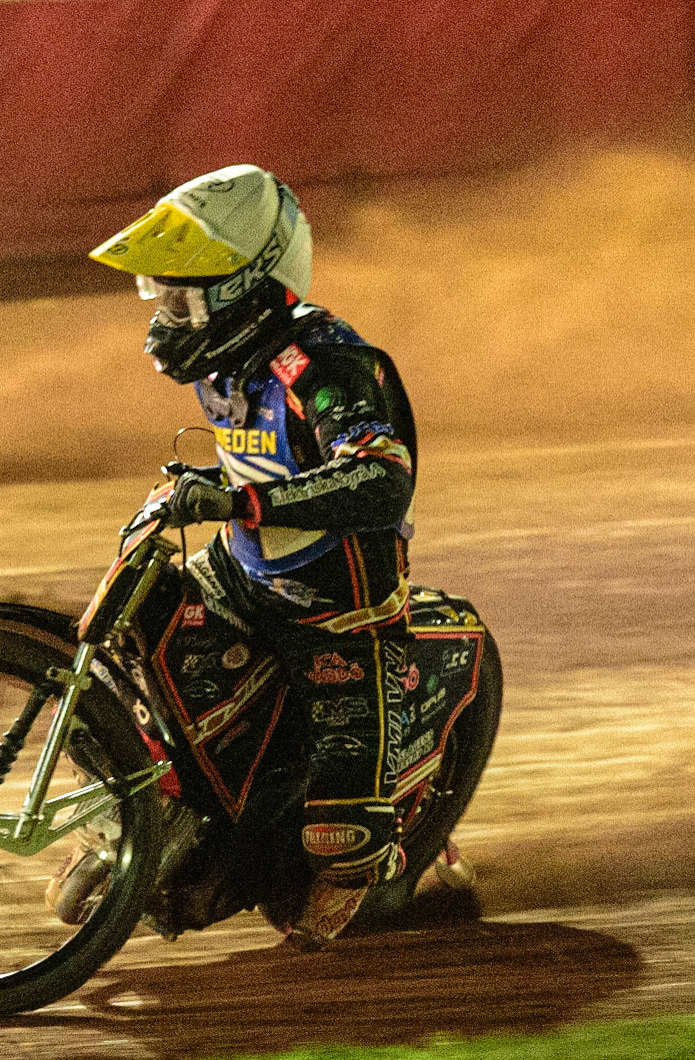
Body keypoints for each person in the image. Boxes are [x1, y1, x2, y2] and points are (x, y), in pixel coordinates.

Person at [89, 164, 438, 950]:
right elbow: (269, 464)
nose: (164, 318)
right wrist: (212, 488)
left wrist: (237, 501)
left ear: (247, 285)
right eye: (160, 295)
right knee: (134, 635)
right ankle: (157, 803)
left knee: (333, 848)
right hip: (241, 567)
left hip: (335, 604)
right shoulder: (230, 361)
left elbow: (379, 474)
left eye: (181, 296)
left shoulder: (323, 366)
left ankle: (363, 863)